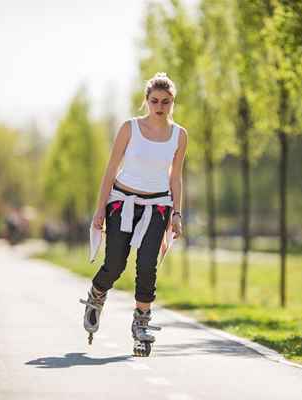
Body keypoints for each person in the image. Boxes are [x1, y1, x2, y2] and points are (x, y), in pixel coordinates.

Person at [80, 72, 187, 355]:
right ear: (146, 101)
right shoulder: (130, 128)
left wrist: (177, 213)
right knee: (115, 264)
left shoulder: (179, 135)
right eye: (155, 101)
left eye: (166, 101)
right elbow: (111, 169)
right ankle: (97, 294)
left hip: (158, 206)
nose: (160, 107)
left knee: (147, 264)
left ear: (172, 102)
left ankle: (141, 323)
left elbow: (175, 177)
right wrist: (99, 210)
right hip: (122, 201)